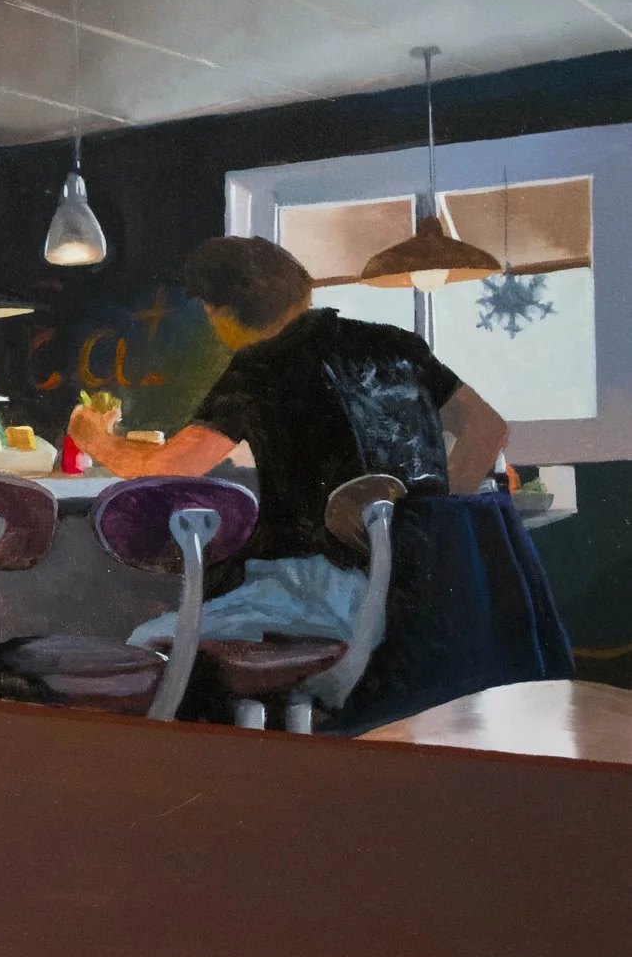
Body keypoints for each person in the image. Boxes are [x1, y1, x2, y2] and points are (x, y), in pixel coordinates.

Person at [64, 236, 513, 687]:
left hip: (318, 592)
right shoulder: (396, 344)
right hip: (428, 594)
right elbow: (488, 428)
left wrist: (93, 437)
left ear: (219, 311)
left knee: (148, 643)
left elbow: (168, 467)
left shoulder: (261, 367)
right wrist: (430, 521)